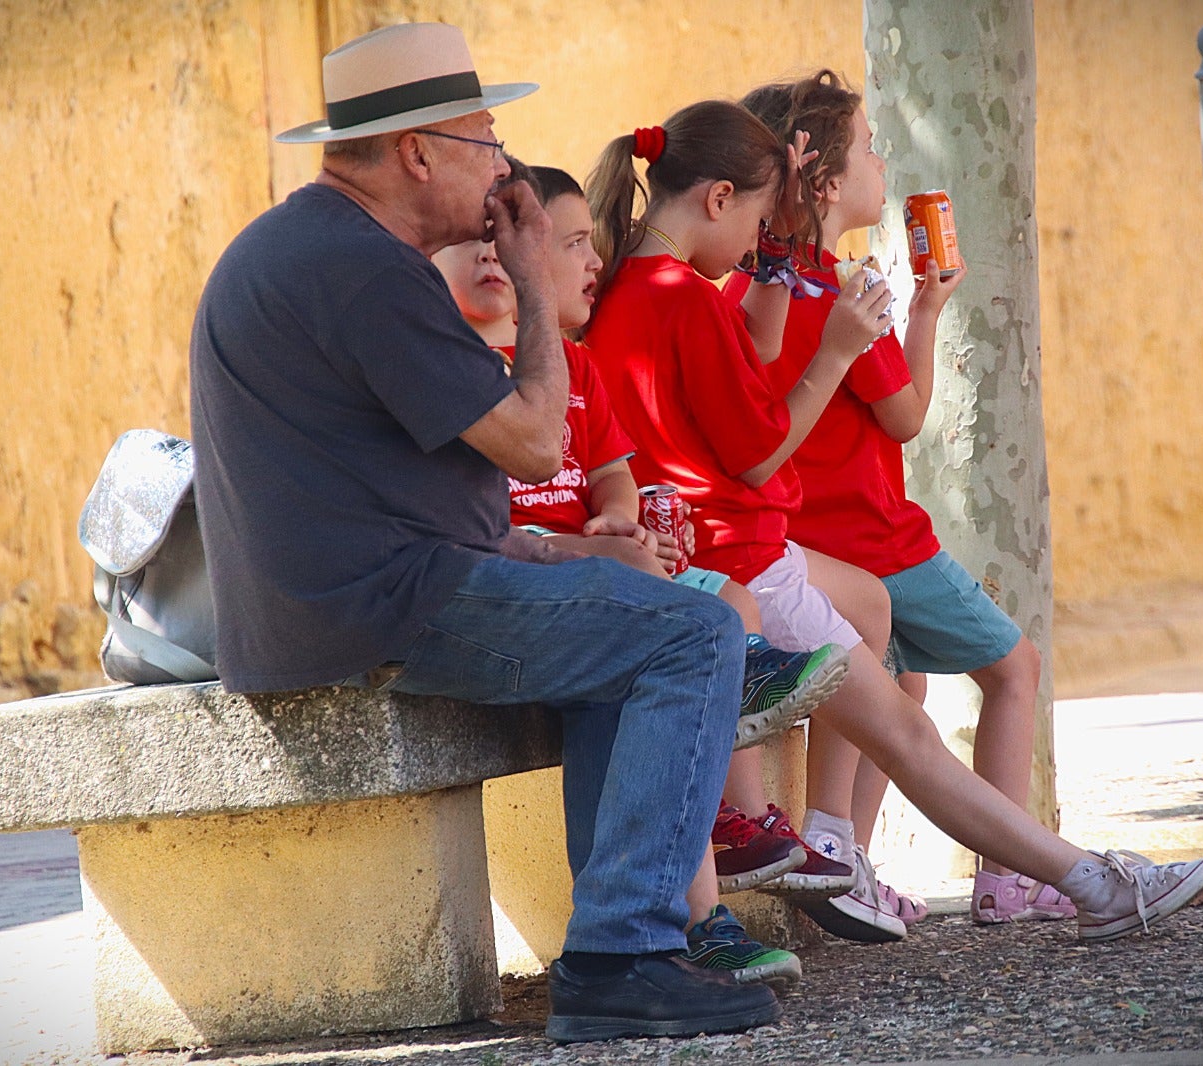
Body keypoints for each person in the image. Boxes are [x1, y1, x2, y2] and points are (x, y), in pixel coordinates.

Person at [187, 22, 782, 1043]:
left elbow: (417, 492)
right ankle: (623, 954)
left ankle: (621, 947)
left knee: (636, 633)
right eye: (486, 138)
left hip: (347, 596)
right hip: (377, 610)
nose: (503, 163)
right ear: (417, 152)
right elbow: (534, 442)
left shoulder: (316, 246)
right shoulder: (362, 267)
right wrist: (537, 275)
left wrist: (574, 555)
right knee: (693, 634)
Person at [581, 98, 1203, 949]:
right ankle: (1089, 882)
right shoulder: (685, 300)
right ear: (717, 198)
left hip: (722, 554)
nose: (757, 242)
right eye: (757, 222)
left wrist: (774, 263)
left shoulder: (637, 282)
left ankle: (851, 845)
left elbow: (752, 354)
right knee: (912, 738)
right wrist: (840, 348)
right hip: (747, 556)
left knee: (879, 637)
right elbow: (761, 454)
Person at [434, 160, 853, 988]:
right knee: (684, 653)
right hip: (515, 598)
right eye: (574, 244)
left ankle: (694, 910)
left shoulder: (571, 370)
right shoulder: (447, 373)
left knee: (710, 620)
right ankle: (703, 888)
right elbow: (483, 538)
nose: (595, 262)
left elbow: (612, 471)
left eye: (508, 242)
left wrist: (619, 519)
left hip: (590, 582)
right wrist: (602, 553)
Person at [727, 70, 1067, 935]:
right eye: (870, 149)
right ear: (827, 185)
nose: (883, 163)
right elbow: (908, 417)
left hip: (804, 550)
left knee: (899, 685)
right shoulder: (838, 289)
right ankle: (1006, 873)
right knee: (1015, 670)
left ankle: (847, 867)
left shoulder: (746, 292)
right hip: (882, 544)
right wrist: (925, 311)